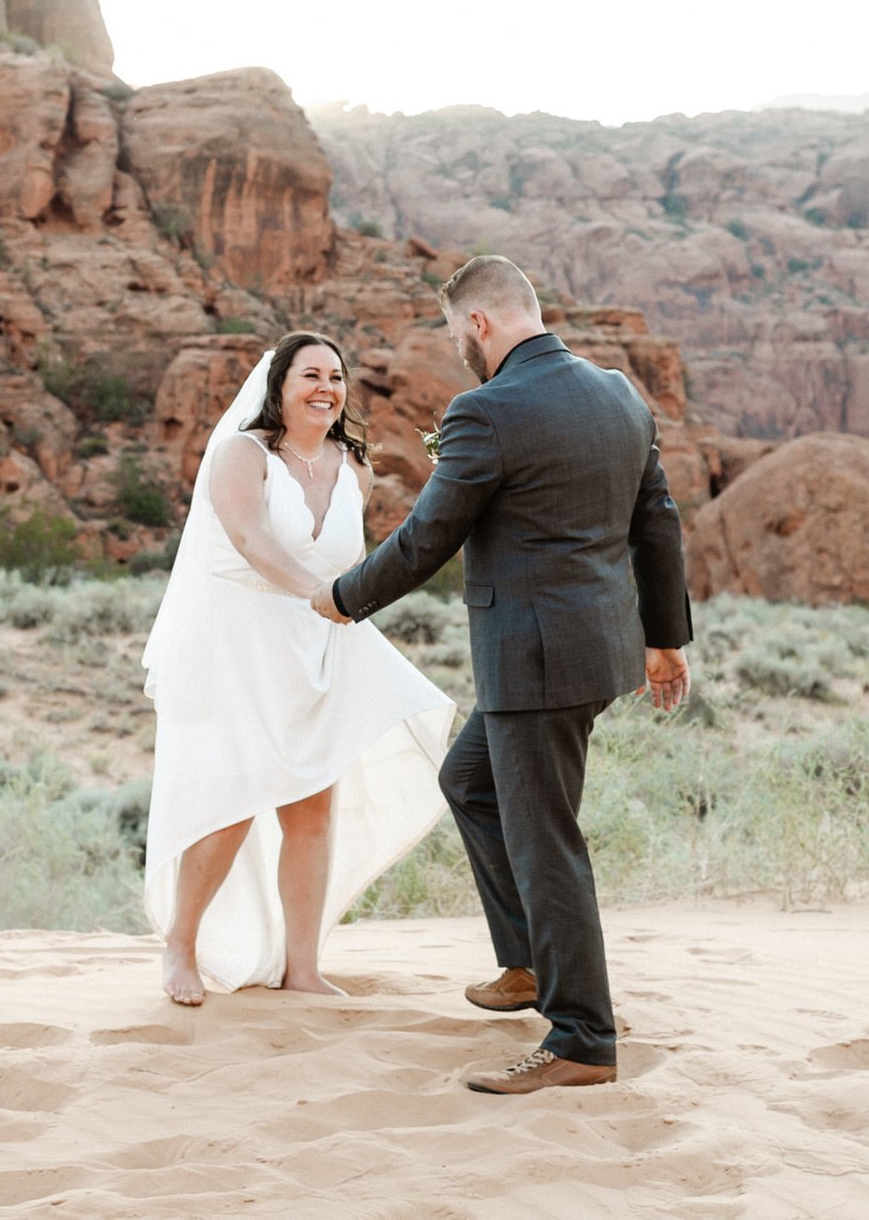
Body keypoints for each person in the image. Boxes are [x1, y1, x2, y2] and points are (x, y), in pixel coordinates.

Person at [316, 255, 693, 1095]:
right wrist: (665, 638)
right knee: (470, 781)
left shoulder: (487, 411)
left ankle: (583, 1039)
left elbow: (426, 537)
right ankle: (527, 964)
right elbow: (656, 520)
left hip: (534, 661)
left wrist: (344, 598)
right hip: (595, 652)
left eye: (458, 334)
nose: (460, 350)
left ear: (480, 323)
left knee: (546, 841)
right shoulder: (618, 395)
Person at [141, 331, 454, 1006]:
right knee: (231, 805)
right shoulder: (241, 455)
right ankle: (180, 944)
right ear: (278, 387)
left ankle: (303, 966)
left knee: (312, 810)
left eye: (336, 378)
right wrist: (318, 595)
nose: (326, 389)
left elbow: (348, 557)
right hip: (240, 646)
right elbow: (250, 539)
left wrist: (341, 599)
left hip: (317, 649)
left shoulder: (354, 467)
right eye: (311, 375)